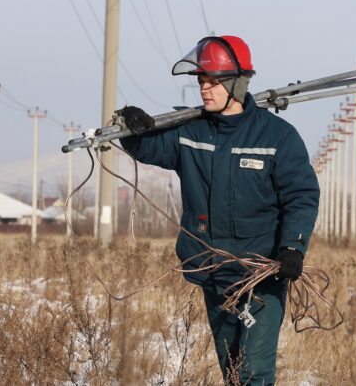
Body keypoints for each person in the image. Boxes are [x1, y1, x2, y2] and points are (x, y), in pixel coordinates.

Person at [117, 35, 319, 386]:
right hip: (212, 270)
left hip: (262, 274)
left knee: (253, 372)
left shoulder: (277, 137)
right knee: (233, 370)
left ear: (238, 83)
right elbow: (147, 146)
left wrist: (293, 247)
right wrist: (128, 124)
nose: (205, 90)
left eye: (214, 82)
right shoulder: (188, 132)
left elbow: (301, 194)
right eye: (201, 82)